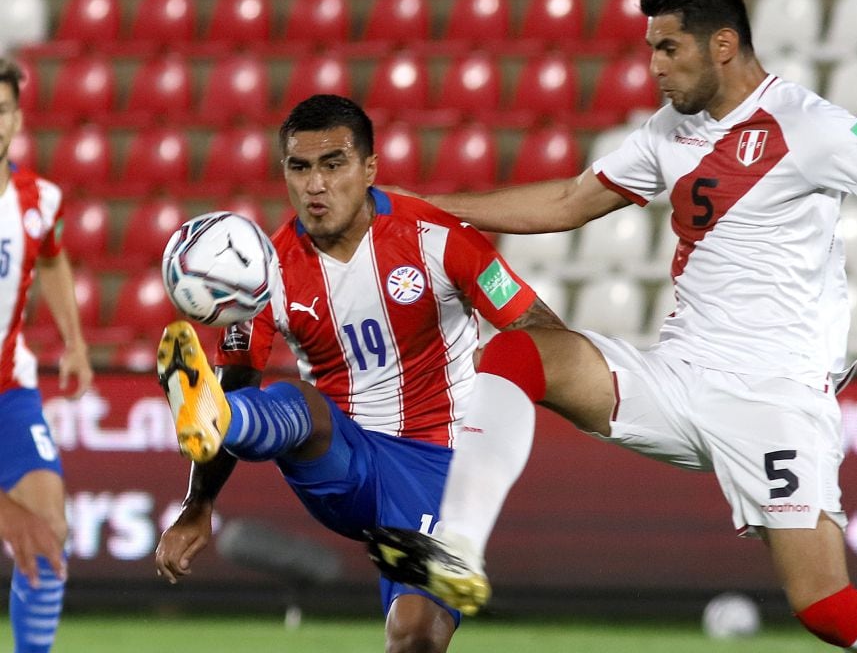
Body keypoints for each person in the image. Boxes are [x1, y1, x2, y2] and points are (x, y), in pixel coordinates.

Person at [365, 0, 857, 653]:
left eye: (669, 48)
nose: (656, 68)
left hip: (775, 397)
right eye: (651, 50)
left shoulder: (807, 125)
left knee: (826, 608)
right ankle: (458, 549)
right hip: (679, 376)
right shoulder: (669, 132)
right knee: (514, 353)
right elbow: (570, 202)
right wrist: (413, 209)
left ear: (722, 44)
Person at [153, 94, 564, 653]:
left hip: (439, 469)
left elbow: (538, 327)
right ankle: (227, 422)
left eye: (333, 164)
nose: (315, 185)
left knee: (416, 637)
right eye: (300, 167)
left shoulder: (438, 239)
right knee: (298, 402)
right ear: (285, 173)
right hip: (343, 460)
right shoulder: (268, 270)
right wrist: (198, 505)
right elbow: (235, 379)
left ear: (369, 168)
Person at [0, 57, 94, 652]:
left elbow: (53, 258)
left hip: (10, 387)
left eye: (1, 110)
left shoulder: (41, 198)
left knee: (47, 532)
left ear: (16, 116)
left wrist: (76, 343)